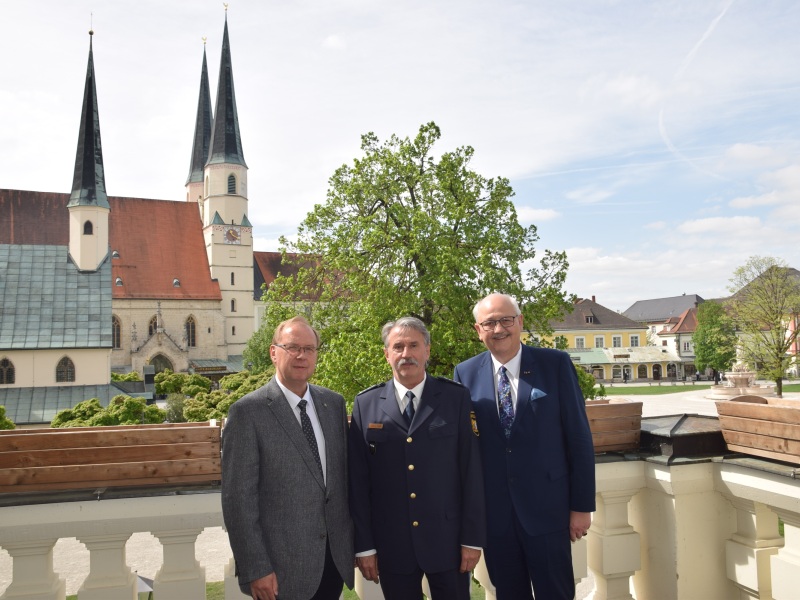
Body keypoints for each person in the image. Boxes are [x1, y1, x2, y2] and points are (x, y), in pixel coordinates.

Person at [453, 293, 596, 600]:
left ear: (520, 322)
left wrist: (581, 506)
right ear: (478, 330)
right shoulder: (464, 373)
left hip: (549, 511)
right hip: (496, 518)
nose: (498, 328)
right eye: (489, 323)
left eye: (506, 320)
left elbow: (579, 438)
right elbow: (465, 447)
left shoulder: (554, 364)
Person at [349, 317, 486, 599]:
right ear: (386, 354)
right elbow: (358, 482)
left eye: (414, 345)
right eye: (397, 346)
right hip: (392, 545)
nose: (406, 354)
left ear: (428, 351)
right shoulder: (366, 403)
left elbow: (471, 472)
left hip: (448, 542)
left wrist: (472, 540)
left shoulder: (455, 398)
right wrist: (365, 546)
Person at [221, 316, 354, 600]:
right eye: (292, 347)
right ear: (273, 352)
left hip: (332, 563)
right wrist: (256, 568)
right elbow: (238, 502)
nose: (301, 355)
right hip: (279, 572)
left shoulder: (333, 404)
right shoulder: (247, 413)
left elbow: (340, 483)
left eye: (309, 349)